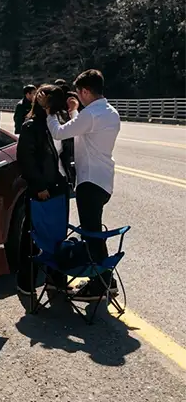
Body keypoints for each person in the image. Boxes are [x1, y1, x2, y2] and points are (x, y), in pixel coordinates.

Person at [45, 69, 120, 301]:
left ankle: (100, 285)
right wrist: (76, 109)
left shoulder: (91, 115)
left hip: (89, 182)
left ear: (85, 91)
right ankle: (107, 281)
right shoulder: (110, 112)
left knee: (91, 235)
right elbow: (83, 125)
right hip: (104, 180)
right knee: (95, 231)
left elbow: (59, 132)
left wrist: (49, 112)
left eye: (79, 92)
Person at [15, 84, 72, 295]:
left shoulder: (60, 123)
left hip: (60, 185)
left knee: (58, 234)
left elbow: (67, 154)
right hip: (41, 187)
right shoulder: (31, 126)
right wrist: (38, 186)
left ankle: (56, 280)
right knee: (32, 235)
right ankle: (25, 281)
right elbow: (26, 160)